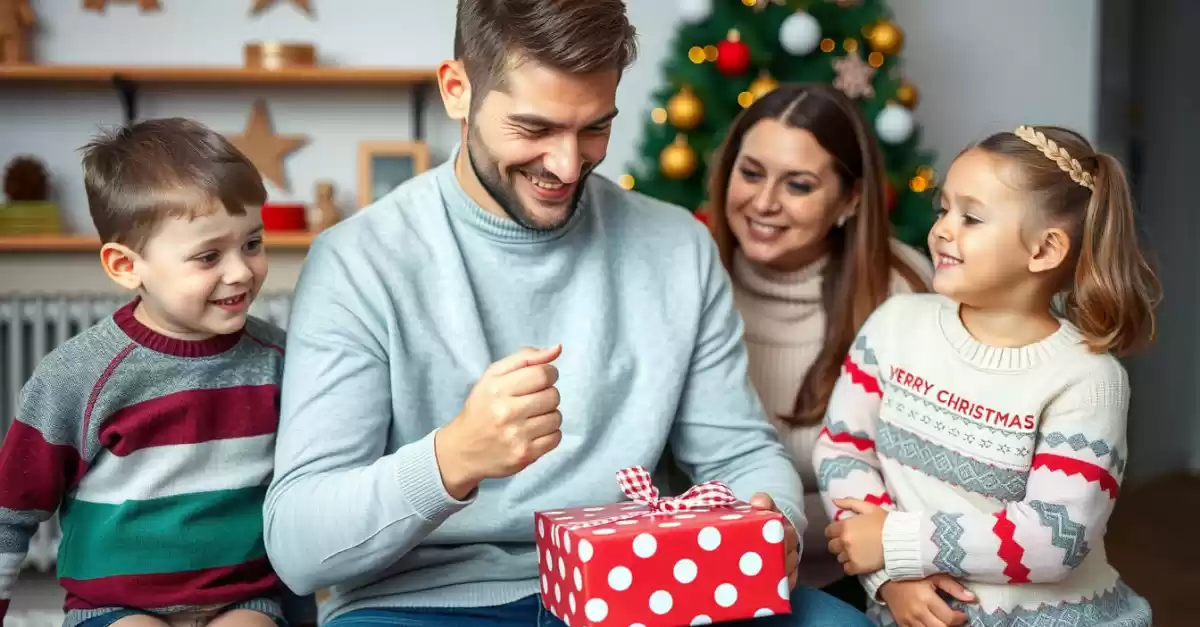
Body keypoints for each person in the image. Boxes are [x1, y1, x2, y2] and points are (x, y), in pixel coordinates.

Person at [261, 1, 872, 626]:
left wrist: (776, 527)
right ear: (457, 90)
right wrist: (452, 459)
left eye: (594, 129)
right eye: (534, 129)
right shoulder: (358, 262)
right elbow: (299, 548)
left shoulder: (677, 247)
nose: (566, 164)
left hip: (641, 583)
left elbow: (738, 455)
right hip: (422, 601)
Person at [814, 125, 1158, 627]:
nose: (942, 230)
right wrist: (891, 578)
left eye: (971, 217)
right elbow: (842, 448)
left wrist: (895, 541)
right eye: (943, 209)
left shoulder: (1087, 378)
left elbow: (1053, 537)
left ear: (1044, 250)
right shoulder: (894, 325)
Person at [0, 118, 308, 627]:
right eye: (208, 256)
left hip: (240, 599)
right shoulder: (77, 375)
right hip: (116, 608)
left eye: (252, 243)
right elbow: (10, 511)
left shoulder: (277, 358)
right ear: (126, 266)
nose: (240, 271)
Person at [704, 82, 932, 609]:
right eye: (751, 172)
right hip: (711, 574)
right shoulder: (693, 280)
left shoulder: (900, 292)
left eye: (798, 185)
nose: (763, 203)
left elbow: (928, 481)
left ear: (849, 200)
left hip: (871, 579)